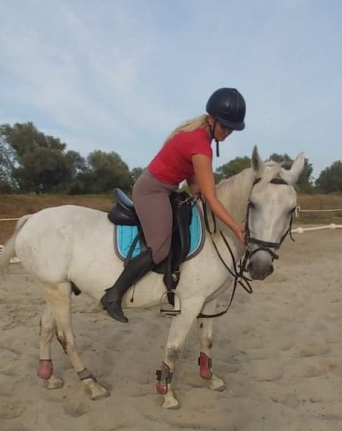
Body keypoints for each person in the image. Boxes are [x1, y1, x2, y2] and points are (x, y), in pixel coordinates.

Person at [100, 87, 249, 323]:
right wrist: (235, 227)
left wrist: (199, 189)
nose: (228, 132)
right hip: (152, 190)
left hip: (165, 188)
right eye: (224, 126)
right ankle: (113, 295)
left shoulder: (197, 134)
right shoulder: (201, 145)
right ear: (211, 120)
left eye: (232, 128)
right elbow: (210, 197)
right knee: (160, 249)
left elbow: (194, 182)